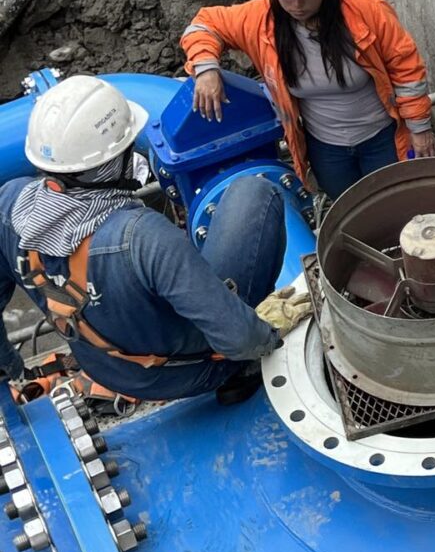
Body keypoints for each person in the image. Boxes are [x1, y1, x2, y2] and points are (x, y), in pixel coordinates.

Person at [0, 76, 309, 402]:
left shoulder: (10, 205)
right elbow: (240, 338)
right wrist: (267, 335)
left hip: (105, 366)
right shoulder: (144, 237)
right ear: (117, 157)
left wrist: (11, 368)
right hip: (186, 373)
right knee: (254, 193)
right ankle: (240, 372)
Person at [183, 0, 435, 200]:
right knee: (349, 209)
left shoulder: (366, 10)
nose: (296, 5)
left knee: (397, 203)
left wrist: (420, 129)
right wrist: (206, 68)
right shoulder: (260, 20)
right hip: (326, 149)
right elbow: (204, 24)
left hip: (382, 139)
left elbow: (406, 69)